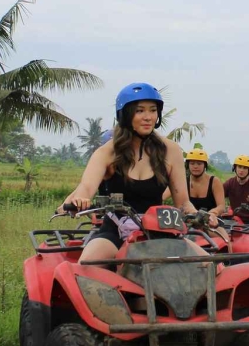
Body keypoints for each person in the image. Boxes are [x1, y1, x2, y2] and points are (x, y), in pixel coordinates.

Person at [64, 83, 197, 263]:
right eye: (140, 111)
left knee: (209, 265)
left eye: (153, 110)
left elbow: (183, 203)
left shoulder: (171, 151)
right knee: (87, 264)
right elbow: (86, 187)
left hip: (160, 232)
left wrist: (199, 215)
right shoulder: (107, 152)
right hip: (116, 230)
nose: (148, 117)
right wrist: (81, 199)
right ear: (125, 115)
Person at [184, 146, 227, 221]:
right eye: (192, 163)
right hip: (188, 222)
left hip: (211, 222)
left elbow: (221, 206)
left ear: (205, 165)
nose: (195, 166)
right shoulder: (183, 181)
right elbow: (165, 194)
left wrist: (213, 213)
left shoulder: (214, 181)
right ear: (188, 165)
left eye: (199, 164)